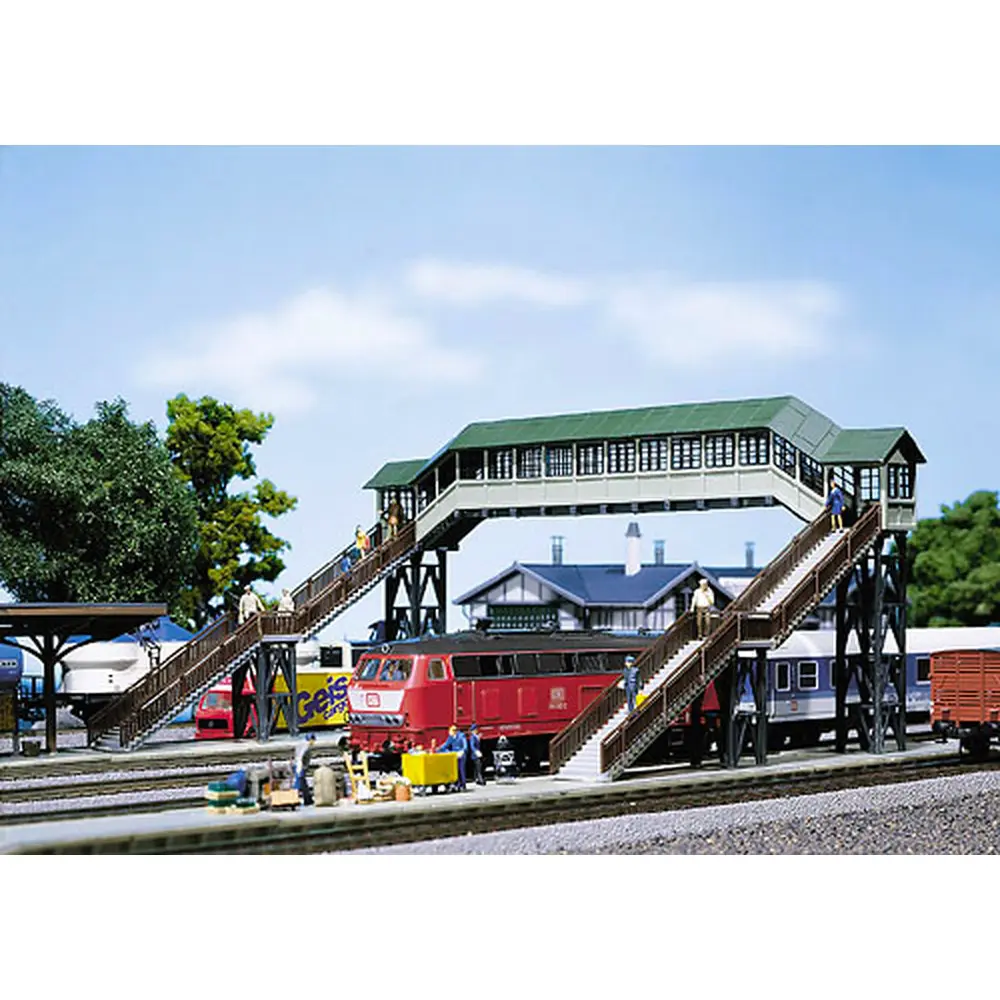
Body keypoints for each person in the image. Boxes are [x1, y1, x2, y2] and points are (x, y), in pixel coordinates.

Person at [435, 724, 468, 790]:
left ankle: (463, 785)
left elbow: (465, 746)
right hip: (454, 755)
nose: (450, 734)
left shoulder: (461, 736)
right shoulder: (451, 737)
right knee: (455, 770)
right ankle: (457, 784)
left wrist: (462, 751)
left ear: (454, 731)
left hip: (460, 754)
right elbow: (446, 744)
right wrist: (438, 749)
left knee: (461, 769)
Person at [293, 733, 317, 805]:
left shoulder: (303, 744)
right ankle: (296, 799)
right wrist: (300, 769)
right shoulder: (305, 746)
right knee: (299, 783)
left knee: (303, 783)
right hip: (300, 766)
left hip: (300, 766)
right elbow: (300, 757)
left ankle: (307, 799)